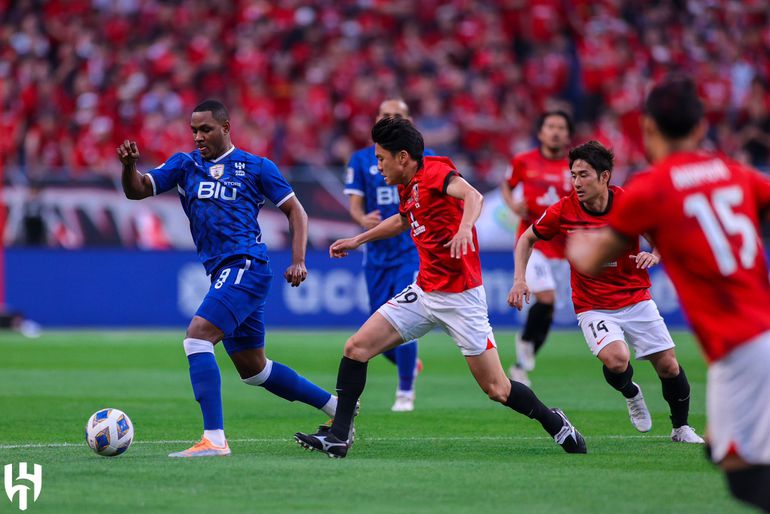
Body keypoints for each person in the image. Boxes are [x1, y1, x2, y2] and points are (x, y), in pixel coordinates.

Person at [294, 116, 586, 458]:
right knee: (356, 348)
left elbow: (473, 196)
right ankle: (339, 437)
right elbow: (404, 219)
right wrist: (359, 238)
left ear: (402, 156)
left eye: (381, 159)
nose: (378, 166)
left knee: (497, 389)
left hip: (461, 299)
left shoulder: (434, 172)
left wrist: (464, 228)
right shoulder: (407, 183)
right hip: (424, 292)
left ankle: (556, 422)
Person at [567, 76, 770, 511]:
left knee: (746, 478)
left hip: (743, 350)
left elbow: (591, 254)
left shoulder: (650, 189)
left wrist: (579, 246)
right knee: (731, 460)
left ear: (648, 130)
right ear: (700, 128)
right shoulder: (737, 174)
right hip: (752, 340)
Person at [117, 99, 339, 458]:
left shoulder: (255, 167)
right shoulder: (184, 165)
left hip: (246, 264)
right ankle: (335, 408)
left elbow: (296, 211)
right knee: (254, 370)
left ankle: (214, 439)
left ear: (225, 128)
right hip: (223, 271)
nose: (199, 136)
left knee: (197, 338)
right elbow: (137, 189)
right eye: (194, 130)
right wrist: (129, 167)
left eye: (205, 129)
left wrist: (299, 260)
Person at [509, 140, 703, 443]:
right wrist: (520, 279)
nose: (576, 182)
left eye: (583, 175)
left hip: (636, 297)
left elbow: (662, 237)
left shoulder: (630, 204)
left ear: (605, 177)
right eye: (573, 175)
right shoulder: (563, 209)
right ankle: (631, 391)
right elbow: (526, 239)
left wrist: (656, 255)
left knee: (668, 365)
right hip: (593, 305)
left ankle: (681, 428)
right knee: (617, 359)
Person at [344, 98, 426, 412]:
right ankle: (409, 363)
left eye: (397, 116)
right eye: (384, 115)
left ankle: (405, 392)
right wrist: (361, 219)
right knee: (379, 324)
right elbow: (355, 202)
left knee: (404, 320)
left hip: (410, 252)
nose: (389, 119)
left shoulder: (424, 158)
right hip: (375, 254)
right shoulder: (362, 158)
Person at [500, 111, 573, 386]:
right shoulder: (523, 161)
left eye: (561, 127)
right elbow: (507, 186)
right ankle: (524, 351)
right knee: (546, 296)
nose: (555, 132)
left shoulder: (575, 165)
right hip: (532, 242)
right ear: (541, 132)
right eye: (550, 126)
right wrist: (512, 205)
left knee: (550, 308)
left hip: (564, 246)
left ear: (567, 134)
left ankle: (521, 361)